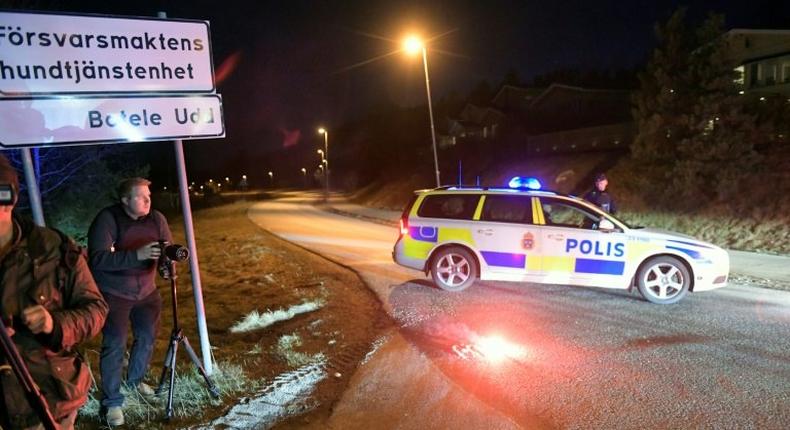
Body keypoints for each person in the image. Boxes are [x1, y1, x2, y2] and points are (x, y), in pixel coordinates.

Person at [0, 154, 108, 430]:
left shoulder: (53, 249)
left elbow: (95, 310)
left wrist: (54, 324)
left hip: (46, 402)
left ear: (11, 198)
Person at [88, 178, 172, 426]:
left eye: (149, 195)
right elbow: (97, 260)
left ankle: (134, 383)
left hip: (147, 292)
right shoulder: (108, 219)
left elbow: (166, 248)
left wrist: (168, 263)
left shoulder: (157, 218)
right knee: (115, 344)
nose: (148, 200)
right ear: (125, 200)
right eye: (141, 196)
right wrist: (137, 256)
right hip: (114, 292)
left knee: (146, 338)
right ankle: (112, 402)